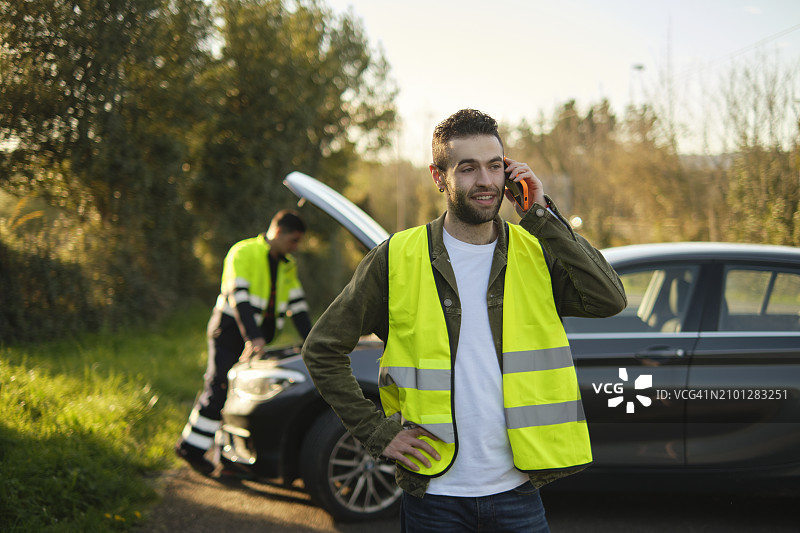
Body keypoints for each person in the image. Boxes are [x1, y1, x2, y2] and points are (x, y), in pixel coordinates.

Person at [302, 109, 627, 532]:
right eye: (468, 168)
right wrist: (379, 435)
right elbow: (322, 349)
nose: (486, 181)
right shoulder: (396, 257)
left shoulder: (536, 250)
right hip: (435, 498)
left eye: (495, 166)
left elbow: (609, 298)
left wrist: (542, 213)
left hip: (518, 492)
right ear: (439, 177)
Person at [176, 209, 312, 475]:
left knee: (242, 396)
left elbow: (298, 307)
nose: (295, 247)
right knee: (219, 388)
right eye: (293, 240)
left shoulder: (287, 265)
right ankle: (189, 449)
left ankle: (229, 458)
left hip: (256, 340)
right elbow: (239, 297)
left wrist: (313, 340)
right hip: (230, 333)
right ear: (278, 232)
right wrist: (254, 337)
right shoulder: (242, 252)